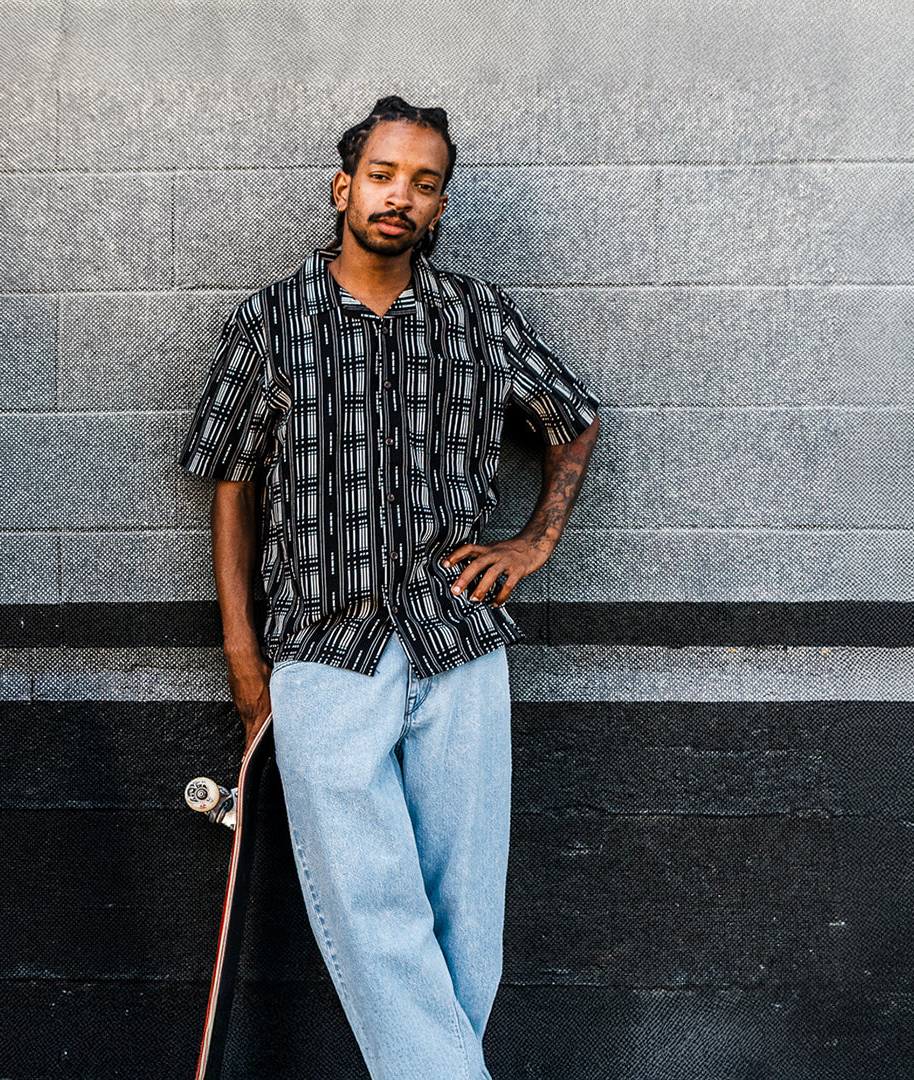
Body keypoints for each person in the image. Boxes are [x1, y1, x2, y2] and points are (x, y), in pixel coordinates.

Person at [179, 96, 599, 1080]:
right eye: (382, 175)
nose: (399, 195)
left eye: (423, 182)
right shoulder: (270, 322)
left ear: (441, 206)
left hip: (458, 643)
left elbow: (573, 418)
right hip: (323, 649)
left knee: (466, 922)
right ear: (344, 187)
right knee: (370, 912)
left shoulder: (478, 317)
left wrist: (533, 542)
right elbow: (231, 486)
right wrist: (244, 661)